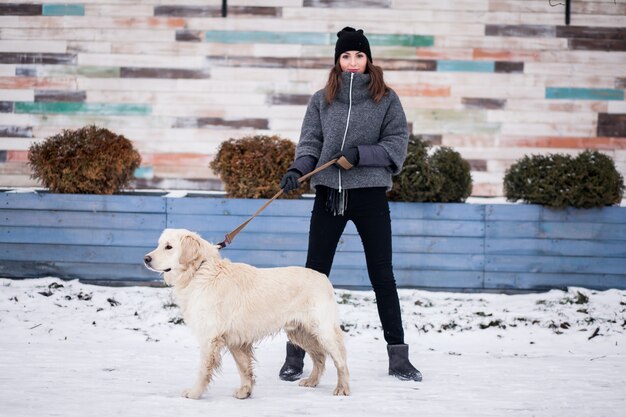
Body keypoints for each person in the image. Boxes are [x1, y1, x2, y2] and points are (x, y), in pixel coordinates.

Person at [278, 27, 422, 382]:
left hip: (369, 195)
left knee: (382, 274)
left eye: (359, 56)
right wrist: (298, 170)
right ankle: (295, 354)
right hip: (329, 193)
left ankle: (398, 356)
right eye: (346, 56)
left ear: (368, 59)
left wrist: (360, 155)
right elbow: (310, 143)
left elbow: (396, 146)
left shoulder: (386, 99)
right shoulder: (321, 99)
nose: (352, 62)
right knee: (312, 276)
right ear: (337, 61)